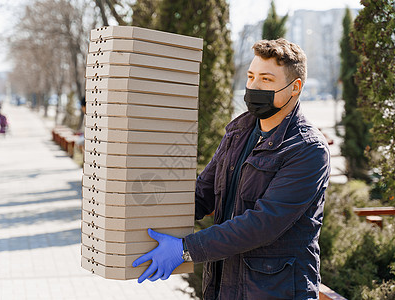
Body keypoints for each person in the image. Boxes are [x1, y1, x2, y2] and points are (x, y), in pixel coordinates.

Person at [133, 39, 330, 299]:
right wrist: (137, 212)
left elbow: (262, 224)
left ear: (295, 88)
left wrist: (185, 249)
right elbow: (203, 192)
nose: (253, 86)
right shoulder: (239, 132)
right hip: (223, 287)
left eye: (266, 80)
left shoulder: (307, 150)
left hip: (275, 291)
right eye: (250, 77)